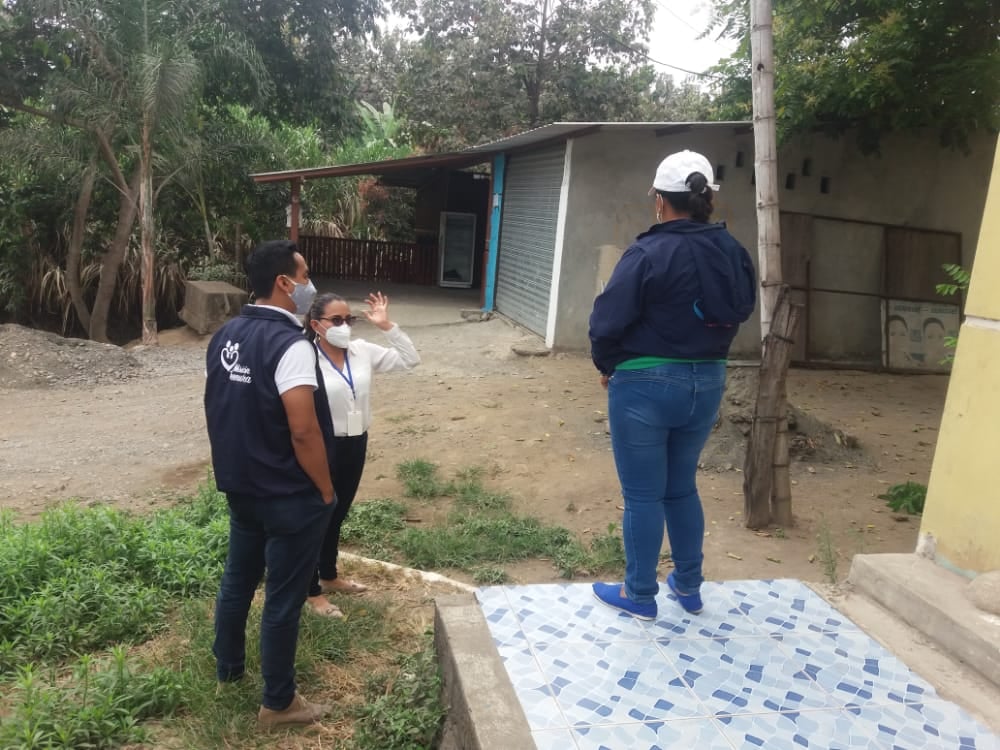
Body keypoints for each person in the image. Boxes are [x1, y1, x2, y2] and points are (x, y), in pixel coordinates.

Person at [588, 150, 756, 621]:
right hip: (709, 381)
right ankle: (688, 585)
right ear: (706, 200)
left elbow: (606, 321)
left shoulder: (647, 253)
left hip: (646, 386)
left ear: (661, 201)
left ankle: (639, 594)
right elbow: (740, 309)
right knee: (681, 487)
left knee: (643, 495)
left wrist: (608, 363)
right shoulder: (732, 251)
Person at [204, 239, 337, 729]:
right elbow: (303, 429)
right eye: (304, 277)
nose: (309, 286)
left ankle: (229, 669)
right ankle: (278, 703)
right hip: (287, 494)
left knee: (237, 581)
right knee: (283, 598)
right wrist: (325, 489)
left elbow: (224, 406)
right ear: (284, 283)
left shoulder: (226, 335)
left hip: (242, 487)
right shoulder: (292, 346)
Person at [302, 291, 420, 617]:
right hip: (322, 444)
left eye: (348, 320)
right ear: (316, 324)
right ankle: (310, 591)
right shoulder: (306, 358)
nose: (344, 326)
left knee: (338, 512)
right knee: (318, 515)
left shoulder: (361, 351)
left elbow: (410, 359)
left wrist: (386, 326)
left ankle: (328, 575)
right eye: (336, 320)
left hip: (356, 441)